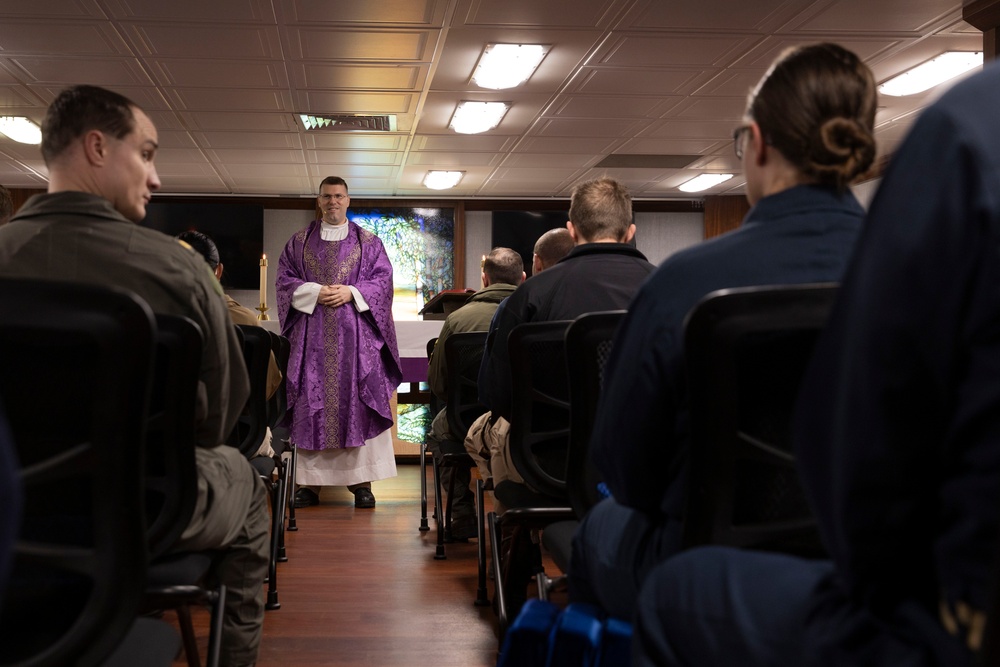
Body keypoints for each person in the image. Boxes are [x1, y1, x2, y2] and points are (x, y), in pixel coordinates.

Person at [632, 57, 1000, 667]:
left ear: (754, 143)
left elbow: (630, 472)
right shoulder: (879, 244)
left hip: (949, 625)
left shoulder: (969, 127)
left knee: (663, 581)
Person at [570, 42, 876, 620]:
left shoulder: (687, 280)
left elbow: (623, 468)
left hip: (706, 563)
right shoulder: (924, 271)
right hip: (882, 564)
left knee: (599, 528)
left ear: (756, 144)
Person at [0, 84, 269, 667]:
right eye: (146, 153)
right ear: (97, 146)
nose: (157, 177)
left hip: (10, 504)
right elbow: (222, 419)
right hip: (145, 502)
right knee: (247, 483)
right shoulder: (176, 270)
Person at [479, 177, 656, 428]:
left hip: (546, 455)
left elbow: (497, 393)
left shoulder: (530, 295)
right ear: (630, 232)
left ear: (572, 231)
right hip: (645, 455)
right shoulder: (669, 288)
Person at [276, 176, 402, 510]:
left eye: (339, 196)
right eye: (327, 196)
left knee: (358, 401)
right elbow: (285, 280)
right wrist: (315, 291)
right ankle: (309, 485)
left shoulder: (369, 242)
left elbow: (383, 283)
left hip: (356, 343)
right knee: (309, 402)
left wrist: (352, 292)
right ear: (319, 201)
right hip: (311, 341)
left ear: (348, 200)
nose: (333, 202)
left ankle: (362, 482)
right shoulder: (299, 242)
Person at [423, 246, 524, 539]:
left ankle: (462, 512)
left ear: (484, 278)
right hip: (524, 423)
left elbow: (440, 384)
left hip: (466, 420)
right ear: (523, 276)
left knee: (437, 432)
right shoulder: (536, 312)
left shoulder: (458, 319)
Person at [465, 227, 574, 492]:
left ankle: (507, 516)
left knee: (480, 435)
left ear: (536, 262)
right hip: (596, 431)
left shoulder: (519, 303)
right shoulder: (601, 296)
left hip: (531, 426)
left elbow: (493, 390)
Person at [177, 229, 282, 457]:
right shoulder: (242, 320)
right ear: (219, 271)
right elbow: (265, 387)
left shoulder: (150, 315)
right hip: (232, 435)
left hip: (161, 436)